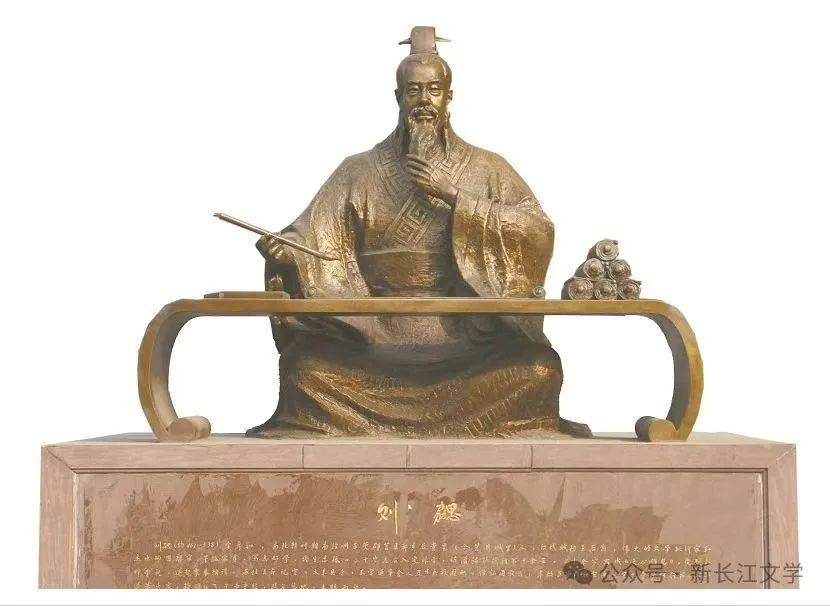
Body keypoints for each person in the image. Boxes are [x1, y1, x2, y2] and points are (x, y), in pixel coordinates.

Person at [249, 27, 590, 439]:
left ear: (449, 97)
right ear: (398, 98)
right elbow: (314, 237)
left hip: (466, 339)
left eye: (433, 90)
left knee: (538, 370)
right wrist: (289, 253)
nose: (424, 100)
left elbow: (536, 230)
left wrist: (456, 197)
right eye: (413, 91)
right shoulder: (358, 171)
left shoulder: (487, 168)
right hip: (376, 340)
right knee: (304, 369)